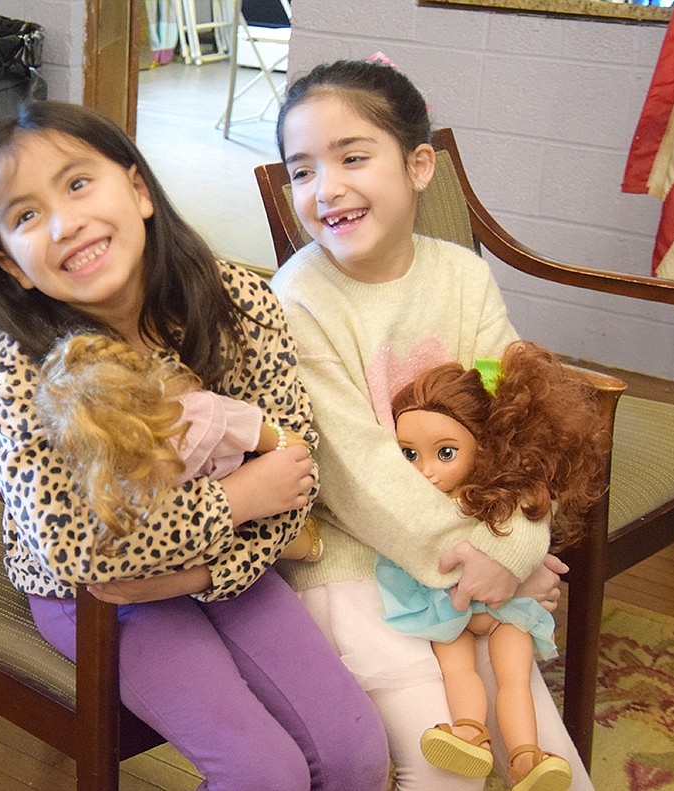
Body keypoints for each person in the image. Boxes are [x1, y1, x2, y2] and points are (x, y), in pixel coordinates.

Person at [0, 99, 388, 790]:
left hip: (225, 565)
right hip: (98, 600)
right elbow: (82, 553)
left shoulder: (237, 299)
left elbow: (295, 467)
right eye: (27, 214)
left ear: (138, 189)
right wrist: (238, 498)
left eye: (77, 182)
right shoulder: (18, 369)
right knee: (261, 771)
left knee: (354, 754)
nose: (65, 222)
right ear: (14, 267)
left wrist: (200, 571)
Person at [269, 58, 596, 789]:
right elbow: (355, 470)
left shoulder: (462, 276)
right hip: (356, 563)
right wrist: (491, 561)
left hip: (477, 553)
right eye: (301, 171)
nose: (326, 188)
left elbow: (522, 421)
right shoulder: (295, 299)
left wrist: (517, 543)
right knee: (441, 762)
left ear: (419, 166)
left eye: (353, 156)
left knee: (545, 765)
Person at [377, 342, 610, 790]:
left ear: (483, 448)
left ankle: (526, 756)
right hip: (452, 608)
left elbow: (522, 533)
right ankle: (469, 733)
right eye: (409, 454)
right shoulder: (422, 507)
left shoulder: (496, 495)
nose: (424, 470)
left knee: (514, 678)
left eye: (445, 453)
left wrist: (519, 566)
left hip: (493, 608)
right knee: (462, 671)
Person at [35, 331, 323, 562]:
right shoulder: (107, 478)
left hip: (233, 479)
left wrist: (280, 441)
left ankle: (291, 543)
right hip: (192, 528)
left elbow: (245, 426)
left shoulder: (196, 416)